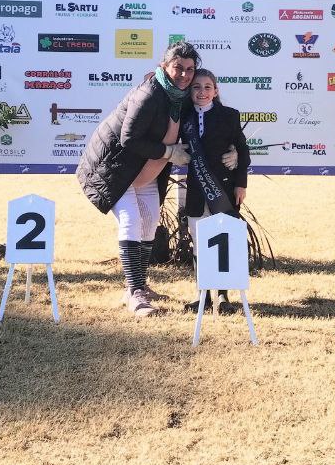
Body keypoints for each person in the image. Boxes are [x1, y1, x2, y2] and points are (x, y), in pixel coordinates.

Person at [76, 41, 199, 317]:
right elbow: (129, 139)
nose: (184, 74)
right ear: (163, 66)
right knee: (131, 221)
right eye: (178, 67)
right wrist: (169, 152)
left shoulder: (182, 97)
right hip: (116, 170)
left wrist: (231, 151)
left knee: (149, 223)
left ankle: (138, 285)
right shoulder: (149, 94)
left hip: (146, 172)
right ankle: (135, 294)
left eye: (190, 69)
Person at [181, 68, 250, 315]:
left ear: (216, 91)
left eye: (207, 87)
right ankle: (202, 296)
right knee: (198, 243)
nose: (202, 92)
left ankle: (223, 296)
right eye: (196, 87)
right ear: (190, 91)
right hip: (196, 190)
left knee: (223, 240)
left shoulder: (229, 115)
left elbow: (243, 150)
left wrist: (241, 183)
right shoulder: (182, 116)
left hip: (224, 189)